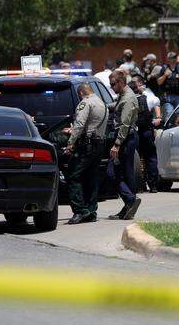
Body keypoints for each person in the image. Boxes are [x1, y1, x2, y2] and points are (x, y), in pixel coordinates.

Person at [63, 83, 108, 224]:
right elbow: (92, 124)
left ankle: (80, 211)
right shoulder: (102, 103)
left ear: (81, 93)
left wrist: (70, 143)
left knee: (72, 174)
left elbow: (80, 124)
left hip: (87, 146)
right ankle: (91, 211)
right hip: (99, 144)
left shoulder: (85, 103)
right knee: (92, 177)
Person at [107, 70, 141, 220]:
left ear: (121, 82)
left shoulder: (128, 98)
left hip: (126, 138)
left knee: (113, 172)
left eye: (113, 84)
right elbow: (116, 105)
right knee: (125, 173)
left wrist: (117, 144)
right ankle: (128, 205)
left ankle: (131, 200)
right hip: (126, 138)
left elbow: (125, 124)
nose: (112, 87)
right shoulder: (123, 96)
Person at [130, 75, 161, 193]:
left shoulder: (129, 98)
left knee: (136, 158)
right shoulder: (150, 97)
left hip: (135, 132)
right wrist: (158, 118)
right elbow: (157, 108)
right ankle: (153, 185)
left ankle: (140, 185)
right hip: (147, 131)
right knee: (151, 158)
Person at [157, 51, 179, 119]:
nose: (173, 60)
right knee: (169, 114)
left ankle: (178, 125)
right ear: (168, 59)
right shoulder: (164, 68)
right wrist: (165, 75)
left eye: (174, 58)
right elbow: (159, 82)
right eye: (171, 58)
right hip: (168, 97)